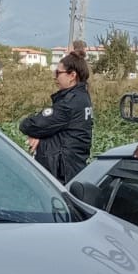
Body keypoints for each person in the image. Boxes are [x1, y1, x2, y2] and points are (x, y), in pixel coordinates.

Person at [19, 50, 94, 182]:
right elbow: (60, 131)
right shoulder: (83, 97)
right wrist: (40, 135)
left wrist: (37, 134)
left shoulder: (69, 104)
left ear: (72, 75)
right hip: (72, 169)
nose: (55, 76)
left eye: (58, 73)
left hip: (62, 175)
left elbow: (31, 125)